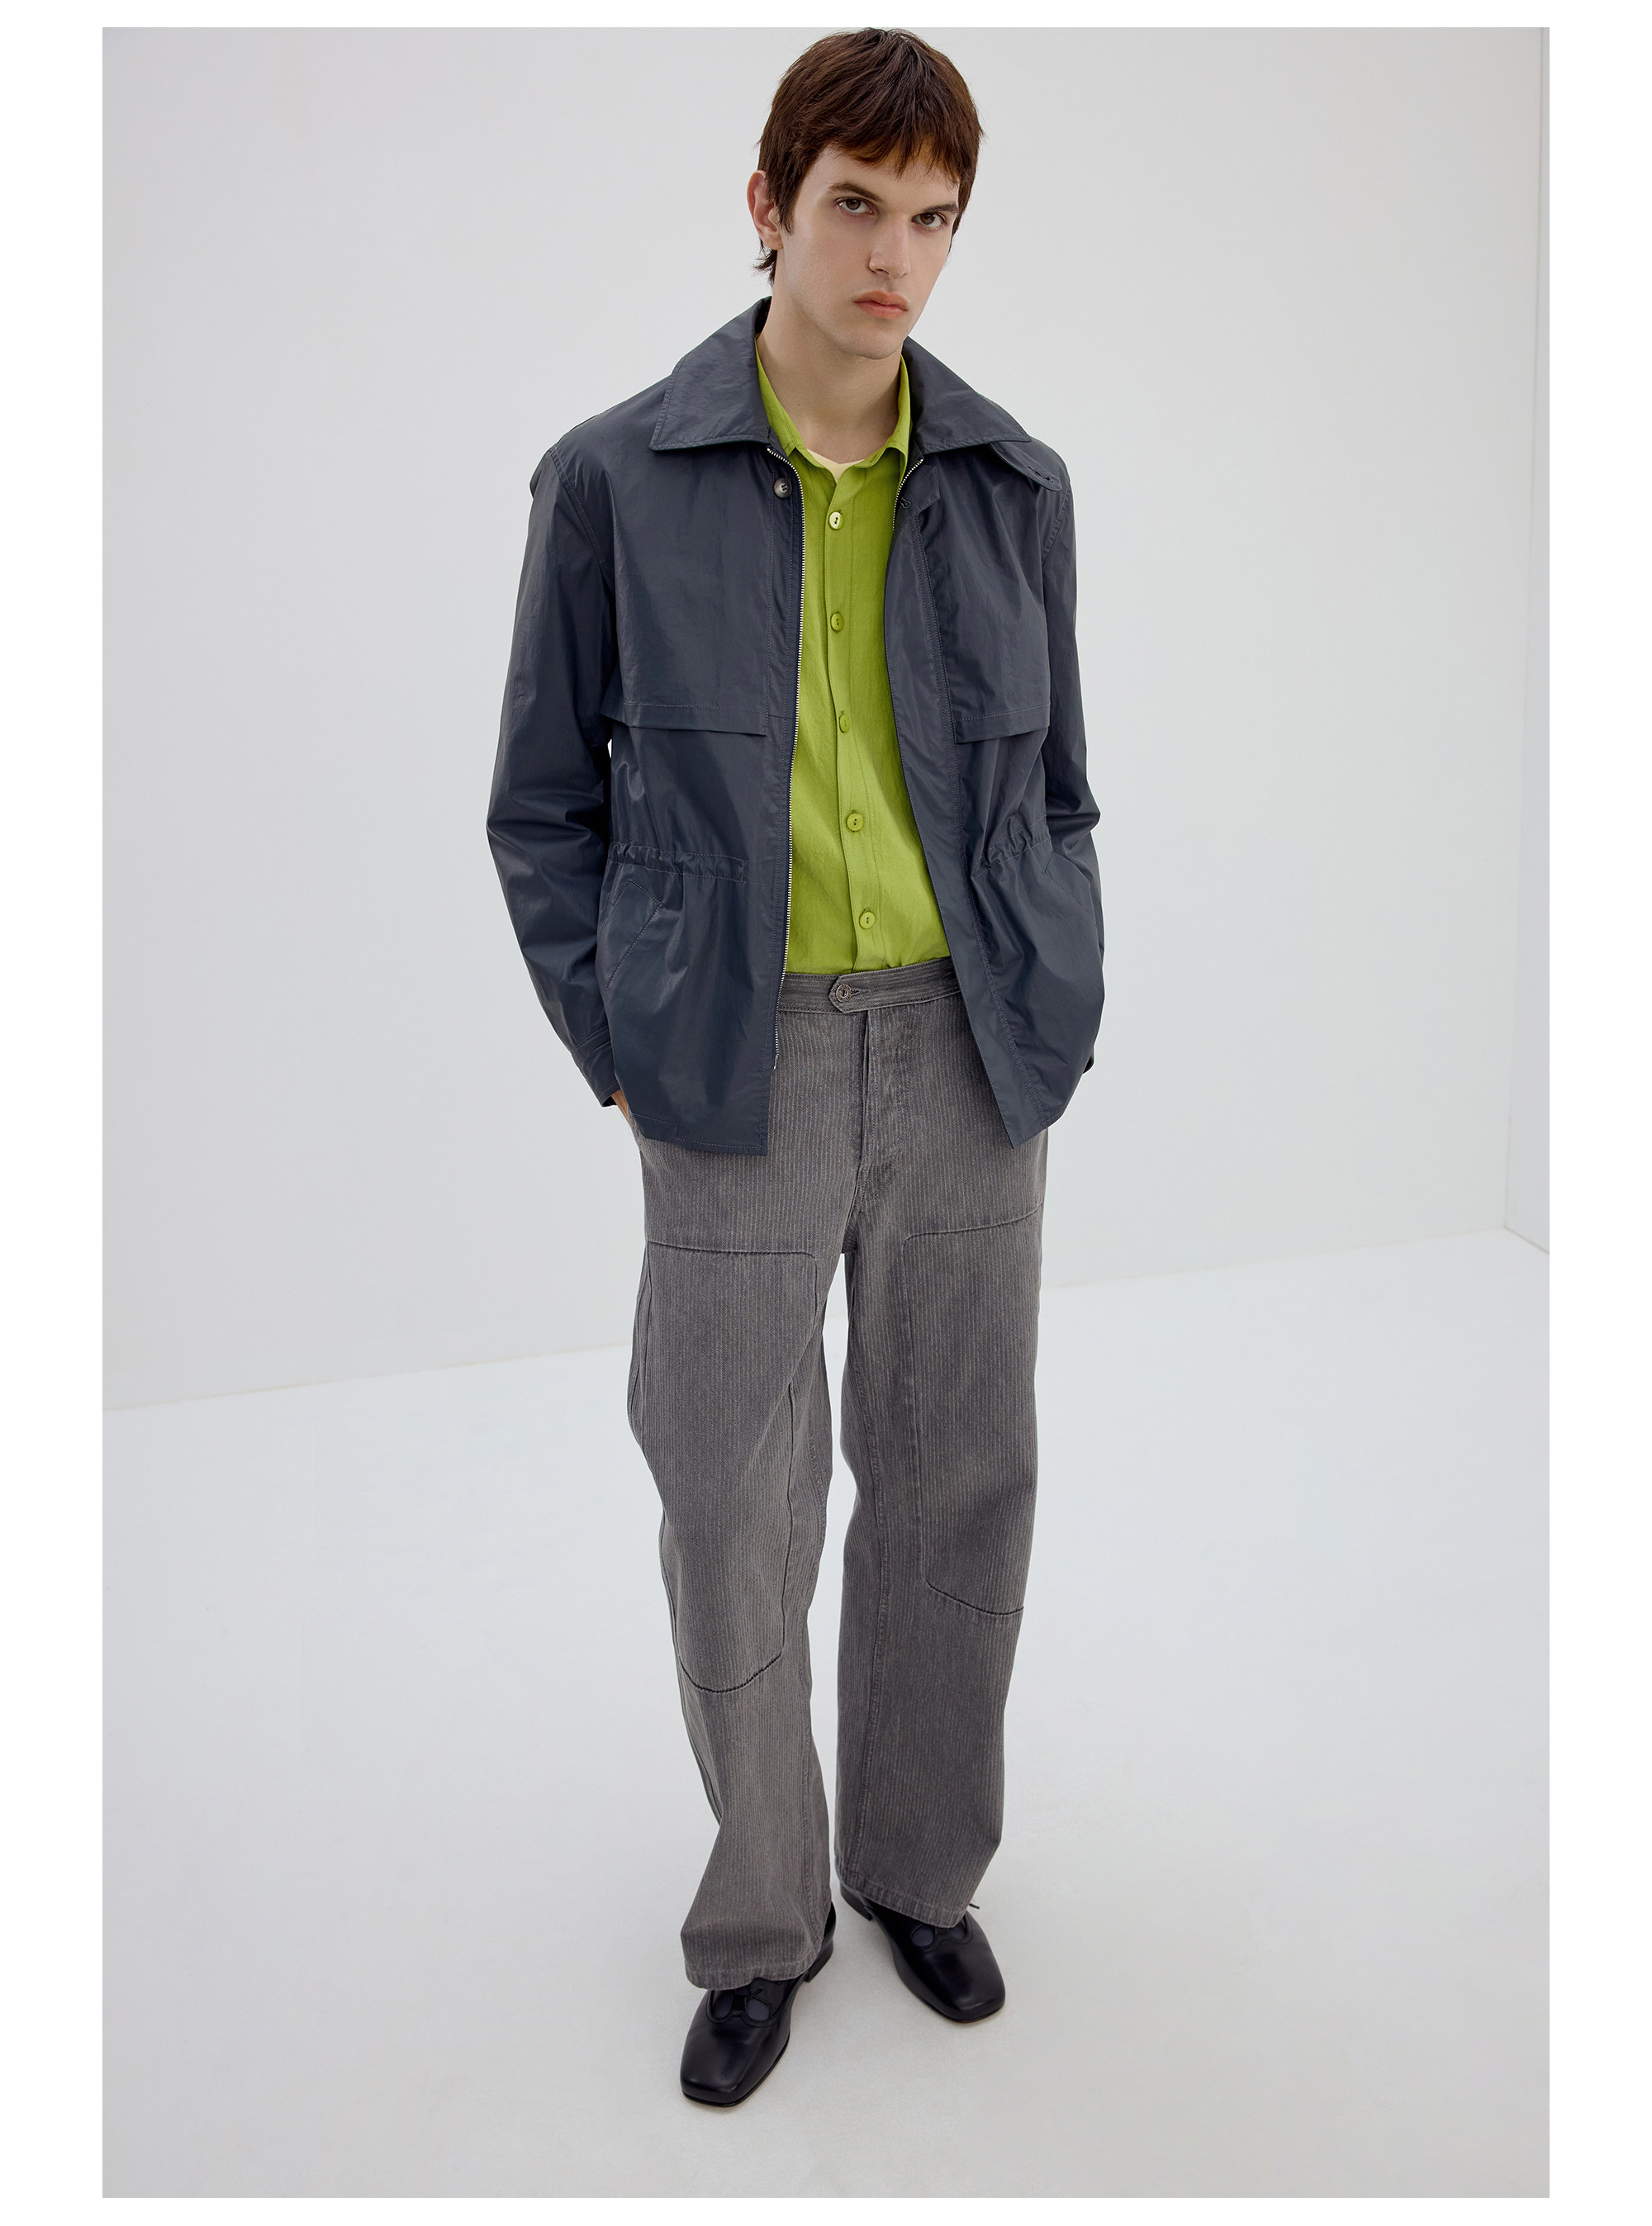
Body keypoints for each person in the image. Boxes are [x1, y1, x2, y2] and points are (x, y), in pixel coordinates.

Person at [487, 26, 1104, 2107]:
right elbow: (539, 804)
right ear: (767, 207)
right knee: (728, 1496)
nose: (892, 257)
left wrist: (1056, 991)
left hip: (967, 1046)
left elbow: (1060, 792)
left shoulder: (1015, 486)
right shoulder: (612, 479)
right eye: (855, 206)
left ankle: (919, 1868)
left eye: (932, 218)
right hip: (725, 1059)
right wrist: (622, 1035)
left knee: (958, 1477)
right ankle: (765, 1915)